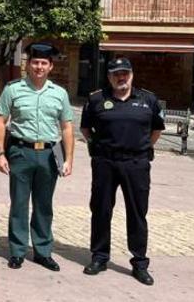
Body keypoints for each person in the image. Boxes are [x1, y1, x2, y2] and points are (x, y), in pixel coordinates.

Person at [80, 57, 164, 286]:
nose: (121, 77)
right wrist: (97, 146)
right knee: (101, 210)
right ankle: (99, 257)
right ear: (109, 77)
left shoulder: (148, 99)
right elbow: (85, 128)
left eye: (125, 73)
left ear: (132, 74)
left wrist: (143, 147)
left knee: (137, 213)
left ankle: (139, 263)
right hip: (105, 163)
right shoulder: (96, 99)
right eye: (116, 73)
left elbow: (156, 130)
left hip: (136, 164)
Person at [0, 42, 74, 271]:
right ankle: (18, 251)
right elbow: (0, 120)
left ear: (50, 67)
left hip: (49, 154)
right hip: (20, 152)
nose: (39, 67)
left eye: (44, 63)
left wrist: (68, 159)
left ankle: (43, 251)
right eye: (35, 62)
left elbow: (67, 127)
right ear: (28, 65)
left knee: (44, 205)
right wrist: (0, 153)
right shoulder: (13, 89)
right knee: (19, 203)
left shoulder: (59, 94)